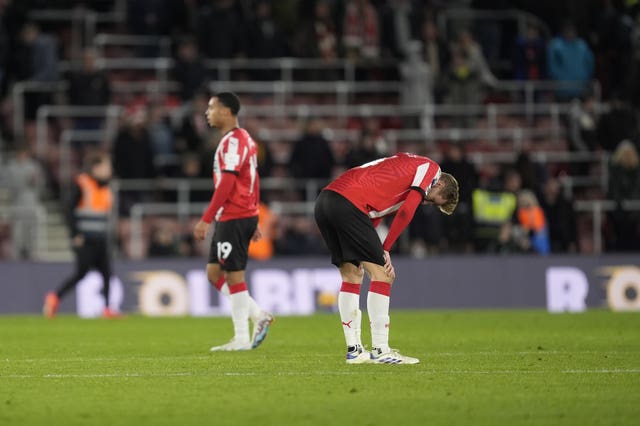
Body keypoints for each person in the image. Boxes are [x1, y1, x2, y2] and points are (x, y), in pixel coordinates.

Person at [314, 153, 459, 364]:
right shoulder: (431, 169)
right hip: (349, 204)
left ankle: (354, 351)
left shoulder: (403, 168)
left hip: (326, 201)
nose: (427, 204)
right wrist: (386, 248)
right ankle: (381, 350)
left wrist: (372, 248)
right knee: (383, 275)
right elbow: (406, 212)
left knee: (352, 275)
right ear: (440, 183)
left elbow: (373, 214)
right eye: (433, 201)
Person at [193, 92, 274, 351]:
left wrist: (205, 219)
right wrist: (256, 216)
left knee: (234, 276)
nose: (207, 112)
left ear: (226, 112)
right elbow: (253, 178)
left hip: (234, 215)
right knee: (214, 273)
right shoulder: (242, 139)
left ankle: (242, 337)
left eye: (211, 107)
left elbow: (228, 182)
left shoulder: (234, 143)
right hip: (239, 214)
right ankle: (257, 314)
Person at [43, 152, 119, 318]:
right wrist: (75, 233)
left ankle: (107, 309)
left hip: (100, 238)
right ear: (96, 168)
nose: (109, 169)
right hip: (85, 240)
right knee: (81, 273)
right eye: (106, 166)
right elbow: (68, 210)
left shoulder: (106, 187)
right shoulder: (82, 184)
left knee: (107, 273)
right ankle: (54, 297)